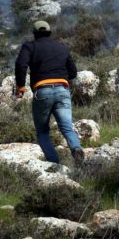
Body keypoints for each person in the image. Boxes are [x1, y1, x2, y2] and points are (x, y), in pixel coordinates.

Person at [14, 20, 85, 165]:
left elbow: (20, 64)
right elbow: (73, 72)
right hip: (62, 90)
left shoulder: (30, 46)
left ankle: (54, 162)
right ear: (49, 32)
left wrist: (21, 87)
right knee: (66, 127)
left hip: (42, 91)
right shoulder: (61, 47)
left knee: (43, 131)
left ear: (34, 34)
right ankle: (76, 148)